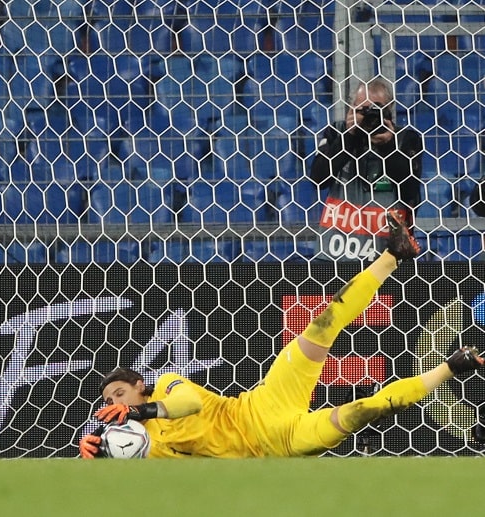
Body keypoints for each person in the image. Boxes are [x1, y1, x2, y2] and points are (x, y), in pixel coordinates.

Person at [79, 211, 485, 458]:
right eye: (109, 401)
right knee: (364, 410)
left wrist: (141, 412)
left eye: (119, 394)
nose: (115, 403)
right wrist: (95, 453)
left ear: (138, 385)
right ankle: (452, 366)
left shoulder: (166, 387)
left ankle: (393, 254)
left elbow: (186, 403)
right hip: (281, 442)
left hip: (263, 403)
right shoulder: (148, 448)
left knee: (321, 324)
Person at [310, 77, 422, 261]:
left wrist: (388, 146)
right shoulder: (336, 132)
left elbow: (410, 190)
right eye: (363, 110)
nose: (369, 116)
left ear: (389, 110)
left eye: (376, 110)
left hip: (386, 257)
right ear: (352, 108)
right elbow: (318, 178)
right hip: (335, 254)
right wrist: (348, 137)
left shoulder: (406, 139)